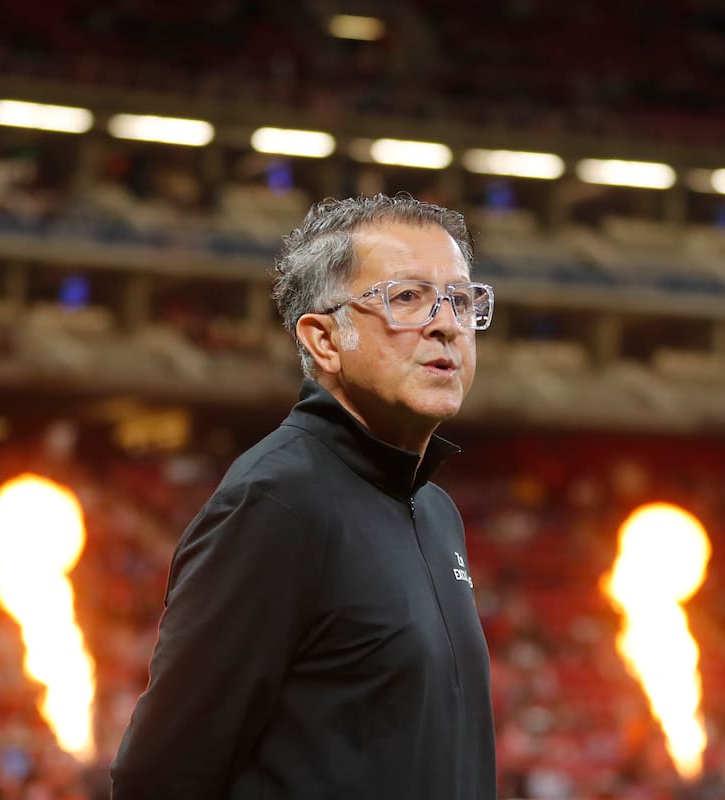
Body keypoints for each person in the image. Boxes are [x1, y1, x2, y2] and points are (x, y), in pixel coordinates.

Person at [111, 193, 497, 799]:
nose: (446, 322)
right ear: (323, 339)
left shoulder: (436, 511)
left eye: (461, 299)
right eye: (407, 298)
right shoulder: (276, 502)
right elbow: (158, 777)